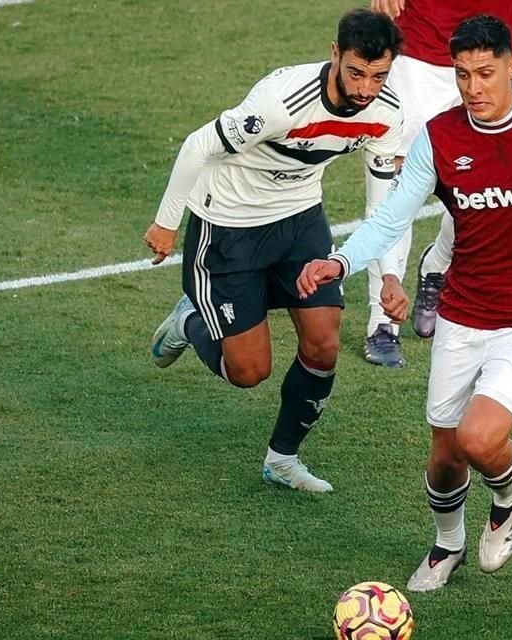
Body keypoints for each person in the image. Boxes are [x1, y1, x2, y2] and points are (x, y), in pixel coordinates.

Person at [297, 14, 512, 590]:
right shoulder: (439, 138)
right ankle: (447, 546)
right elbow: (391, 216)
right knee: (444, 453)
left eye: (486, 73)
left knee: (479, 437)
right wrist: (341, 261)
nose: (473, 88)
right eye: (463, 75)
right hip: (464, 314)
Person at [142, 9, 405, 493]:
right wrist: (165, 222)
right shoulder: (284, 102)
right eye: (356, 72)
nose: (367, 87)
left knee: (324, 343)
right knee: (249, 372)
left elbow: (382, 205)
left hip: (299, 220)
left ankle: (282, 460)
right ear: (335, 55)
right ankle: (190, 321)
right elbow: (200, 144)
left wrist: (388, 275)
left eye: (379, 75)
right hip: (230, 223)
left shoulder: (387, 114)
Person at [360, 0, 512, 368]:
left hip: (497, 46)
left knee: (491, 181)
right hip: (420, 49)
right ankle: (382, 322)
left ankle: (437, 264)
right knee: (397, 180)